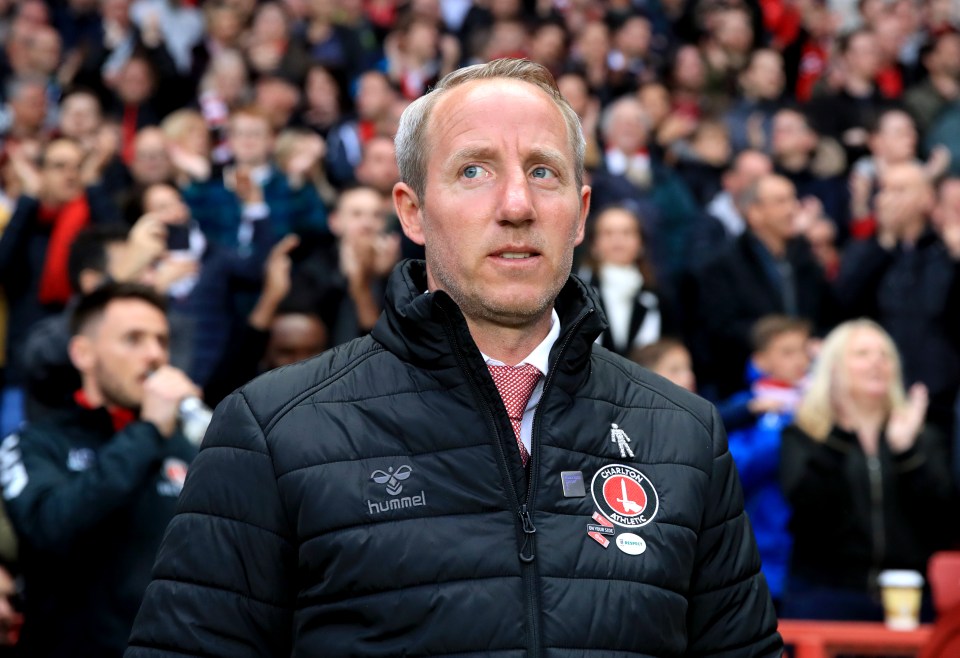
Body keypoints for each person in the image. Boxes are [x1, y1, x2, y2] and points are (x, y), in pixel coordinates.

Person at [127, 58, 781, 657]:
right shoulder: (272, 432)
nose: (517, 206)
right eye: (474, 170)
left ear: (579, 215)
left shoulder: (684, 436)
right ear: (412, 211)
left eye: (543, 172)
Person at [0, 283, 200, 658]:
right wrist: (149, 430)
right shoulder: (37, 444)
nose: (155, 355)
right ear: (83, 353)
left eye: (162, 340)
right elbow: (51, 526)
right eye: (134, 339)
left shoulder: (187, 448)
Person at [780, 319, 956, 621]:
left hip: (906, 598)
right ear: (833, 369)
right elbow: (807, 511)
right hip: (826, 596)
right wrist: (839, 437)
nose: (876, 362)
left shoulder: (921, 436)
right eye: (862, 354)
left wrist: (907, 454)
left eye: (884, 354)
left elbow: (941, 521)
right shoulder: (805, 434)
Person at [725, 315, 812, 608]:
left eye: (803, 350)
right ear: (761, 360)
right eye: (787, 352)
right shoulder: (745, 408)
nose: (799, 360)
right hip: (760, 548)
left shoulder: (822, 406)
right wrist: (783, 428)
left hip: (807, 553)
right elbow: (737, 470)